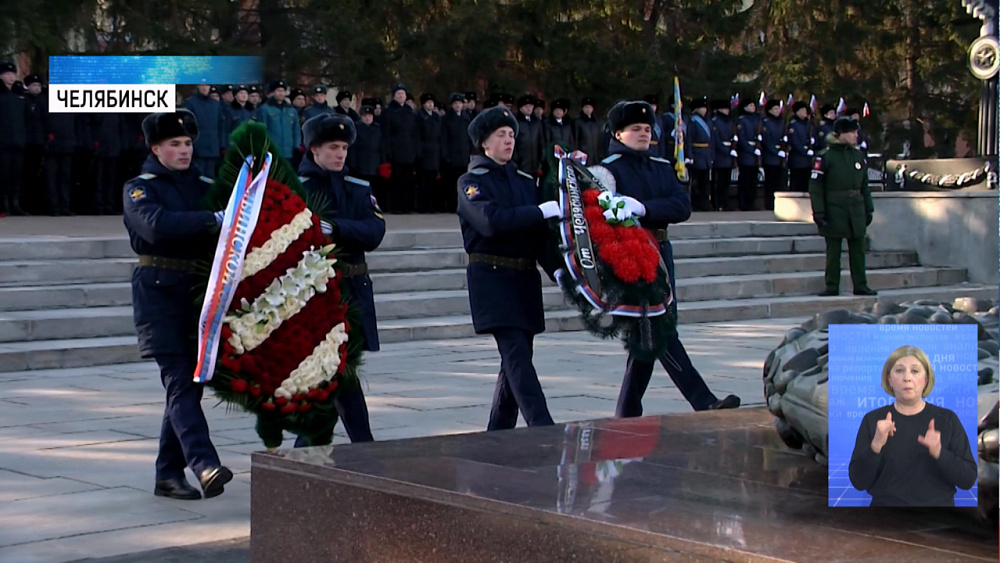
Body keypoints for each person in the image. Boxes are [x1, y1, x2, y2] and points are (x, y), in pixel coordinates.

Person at [595, 101, 741, 417]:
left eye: (647, 129)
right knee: (659, 327)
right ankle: (703, 401)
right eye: (636, 129)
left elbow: (681, 207)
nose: (643, 134)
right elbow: (602, 215)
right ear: (619, 133)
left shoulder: (660, 166)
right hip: (630, 255)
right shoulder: (609, 170)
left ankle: (627, 412)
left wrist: (645, 208)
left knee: (647, 334)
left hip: (661, 251)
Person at [123, 110, 232, 500]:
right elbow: (156, 226)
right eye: (175, 144)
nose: (184, 150)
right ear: (156, 148)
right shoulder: (140, 187)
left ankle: (168, 474)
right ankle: (204, 464)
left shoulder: (205, 184)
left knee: (190, 385)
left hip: (197, 293)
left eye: (187, 143)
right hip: (158, 293)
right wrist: (211, 221)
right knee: (179, 381)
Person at [456, 106, 561, 431]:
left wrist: (558, 270)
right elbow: (490, 222)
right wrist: (537, 212)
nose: (508, 140)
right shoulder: (471, 182)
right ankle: (542, 425)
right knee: (515, 353)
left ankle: (498, 432)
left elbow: (539, 236)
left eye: (512, 134)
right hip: (493, 279)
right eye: (500, 135)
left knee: (516, 360)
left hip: (523, 279)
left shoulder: (524, 181)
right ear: (484, 144)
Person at [297, 113, 386, 445]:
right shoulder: (297, 189)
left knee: (339, 376)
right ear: (314, 150)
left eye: (344, 148)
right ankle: (359, 448)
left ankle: (316, 450)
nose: (340, 154)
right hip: (316, 295)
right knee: (335, 375)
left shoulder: (359, 188)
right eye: (332, 147)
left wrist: (337, 229)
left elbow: (374, 231)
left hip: (354, 291)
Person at [848, 345, 977, 506]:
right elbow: (859, 482)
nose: (907, 378)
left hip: (938, 519)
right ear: (889, 379)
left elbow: (968, 480)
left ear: (926, 380)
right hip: (885, 518)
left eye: (915, 371)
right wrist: (876, 445)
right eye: (899, 371)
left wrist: (939, 452)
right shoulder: (873, 420)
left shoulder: (947, 419)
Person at [809, 117, 877, 297]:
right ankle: (832, 285)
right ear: (841, 134)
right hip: (834, 208)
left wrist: (869, 209)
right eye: (852, 132)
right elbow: (816, 187)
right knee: (834, 250)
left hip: (855, 208)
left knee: (858, 250)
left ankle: (860, 285)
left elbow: (864, 185)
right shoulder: (825, 157)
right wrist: (819, 211)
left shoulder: (857, 156)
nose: (856, 135)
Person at [383, 83, 419, 213]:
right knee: (396, 180)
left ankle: (407, 206)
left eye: (402, 94)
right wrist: (388, 151)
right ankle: (396, 206)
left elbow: (415, 132)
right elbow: (386, 133)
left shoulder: (409, 111)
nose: (400, 96)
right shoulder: (388, 111)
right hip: (396, 149)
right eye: (398, 94)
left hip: (408, 150)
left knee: (408, 180)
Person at [0, 61, 27, 215]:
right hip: (3, 142)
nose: (11, 77)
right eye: (7, 74)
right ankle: (4, 204)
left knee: (16, 174)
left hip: (18, 141)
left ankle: (15, 203)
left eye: (12, 74)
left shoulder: (18, 96)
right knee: (4, 174)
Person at [183, 85, 225, 179]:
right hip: (197, 147)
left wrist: (221, 145)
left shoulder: (216, 104)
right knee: (197, 176)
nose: (204, 88)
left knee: (210, 177)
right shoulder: (190, 103)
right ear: (198, 86)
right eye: (202, 85)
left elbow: (221, 126)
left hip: (213, 147)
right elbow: (187, 126)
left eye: (207, 85)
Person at [440, 93, 471, 212]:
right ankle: (452, 205)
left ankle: (464, 205)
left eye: (459, 103)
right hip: (452, 155)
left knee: (464, 182)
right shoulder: (446, 119)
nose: (458, 105)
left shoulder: (466, 118)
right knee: (452, 183)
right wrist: (445, 155)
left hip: (464, 155)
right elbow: (443, 138)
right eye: (455, 104)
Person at [685, 97, 714, 211]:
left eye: (705, 107)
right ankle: (696, 204)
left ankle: (704, 203)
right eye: (702, 108)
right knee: (696, 182)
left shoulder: (708, 121)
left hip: (706, 154)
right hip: (697, 154)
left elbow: (712, 140)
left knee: (705, 182)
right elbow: (689, 139)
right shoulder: (693, 121)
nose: (704, 110)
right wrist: (689, 156)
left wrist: (712, 156)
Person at [710, 99, 736, 211]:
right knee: (718, 182)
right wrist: (726, 150)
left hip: (729, 154)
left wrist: (733, 148)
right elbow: (716, 140)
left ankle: (725, 203)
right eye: (724, 108)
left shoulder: (730, 122)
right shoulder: (715, 121)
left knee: (726, 181)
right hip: (720, 155)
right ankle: (717, 203)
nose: (727, 111)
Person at [734, 98, 760, 211]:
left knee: (753, 180)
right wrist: (751, 149)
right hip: (746, 154)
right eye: (750, 105)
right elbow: (742, 138)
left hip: (755, 153)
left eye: (753, 105)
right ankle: (743, 203)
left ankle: (751, 202)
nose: (753, 107)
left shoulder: (757, 119)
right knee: (745, 179)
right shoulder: (742, 120)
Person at [787, 101, 815, 192]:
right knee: (797, 183)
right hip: (797, 160)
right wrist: (805, 151)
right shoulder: (793, 124)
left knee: (806, 184)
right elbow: (794, 141)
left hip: (807, 161)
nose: (805, 112)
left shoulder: (808, 124)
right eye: (802, 110)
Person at [512, 94, 542, 176]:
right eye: (526, 106)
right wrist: (515, 161)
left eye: (531, 106)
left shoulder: (537, 122)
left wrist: (541, 160)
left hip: (535, 164)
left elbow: (541, 141)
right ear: (520, 108)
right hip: (521, 164)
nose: (529, 109)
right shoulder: (516, 122)